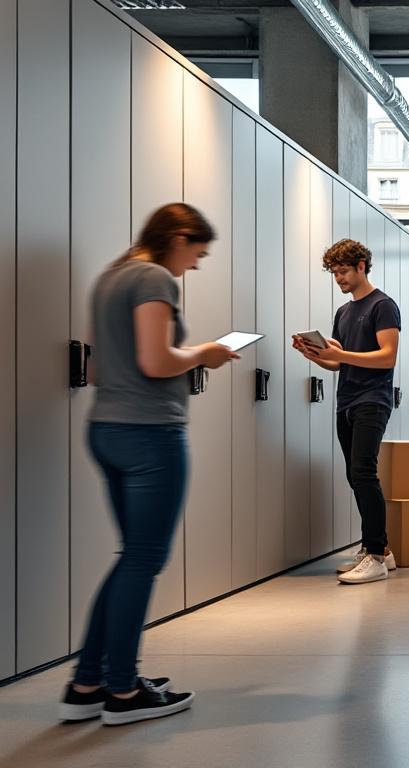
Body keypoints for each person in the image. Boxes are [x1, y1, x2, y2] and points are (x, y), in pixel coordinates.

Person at [62, 203, 237, 726]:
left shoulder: (109, 278)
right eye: (197, 253)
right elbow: (157, 361)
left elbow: (96, 370)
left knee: (131, 557)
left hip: (106, 429)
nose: (197, 264)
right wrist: (204, 352)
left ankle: (87, 682)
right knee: (143, 559)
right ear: (178, 237)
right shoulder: (154, 278)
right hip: (151, 435)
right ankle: (121, 691)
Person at [293, 239, 401, 585]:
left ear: (361, 267)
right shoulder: (344, 312)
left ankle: (374, 554)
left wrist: (344, 353)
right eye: (334, 273)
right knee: (355, 476)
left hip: (373, 399)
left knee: (363, 472)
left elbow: (387, 357)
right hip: (346, 400)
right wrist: (315, 355)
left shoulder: (383, 306)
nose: (338, 278)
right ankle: (381, 550)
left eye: (342, 271)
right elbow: (339, 363)